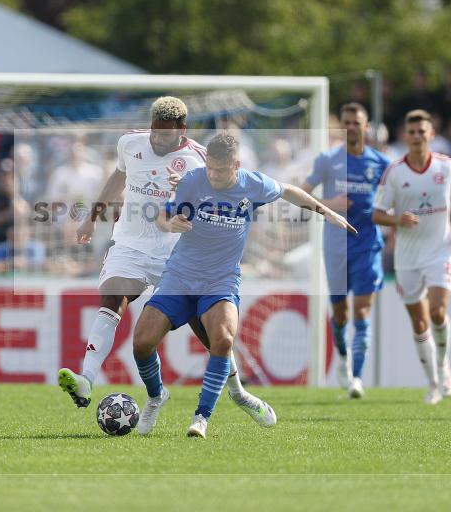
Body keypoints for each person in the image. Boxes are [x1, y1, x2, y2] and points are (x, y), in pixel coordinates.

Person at [57, 97, 276, 427]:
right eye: (155, 134)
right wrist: (92, 218)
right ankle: (86, 379)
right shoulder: (130, 142)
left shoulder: (200, 158)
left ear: (182, 131)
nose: (158, 141)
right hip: (130, 244)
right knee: (113, 299)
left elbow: (225, 194)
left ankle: (238, 391)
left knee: (209, 334)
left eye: (166, 136)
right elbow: (118, 178)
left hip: (178, 256)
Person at [132, 134, 355, 438]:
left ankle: (201, 418)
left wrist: (326, 212)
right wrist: (170, 224)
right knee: (142, 342)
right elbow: (164, 218)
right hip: (181, 275)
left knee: (223, 339)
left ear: (235, 165)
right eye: (209, 168)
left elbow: (289, 191)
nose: (213, 175)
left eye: (220, 170)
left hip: (221, 279)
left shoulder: (253, 184)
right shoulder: (193, 181)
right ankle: (157, 395)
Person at [372, 110, 451, 404]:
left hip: (440, 250)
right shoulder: (395, 172)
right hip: (407, 257)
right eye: (412, 132)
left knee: (438, 312)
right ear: (405, 136)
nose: (417, 137)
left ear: (431, 135)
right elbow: (377, 214)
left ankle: (443, 368)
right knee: (419, 323)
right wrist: (396, 220)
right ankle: (432, 383)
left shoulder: (447, 166)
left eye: (422, 132)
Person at [301, 103, 389, 398]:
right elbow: (302, 192)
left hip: (367, 246)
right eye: (347, 122)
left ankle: (357, 378)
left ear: (367, 127)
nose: (351, 127)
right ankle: (343, 358)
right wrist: (328, 206)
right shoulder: (327, 160)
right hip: (336, 247)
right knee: (340, 314)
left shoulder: (381, 163)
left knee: (362, 311)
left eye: (357, 122)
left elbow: (393, 198)